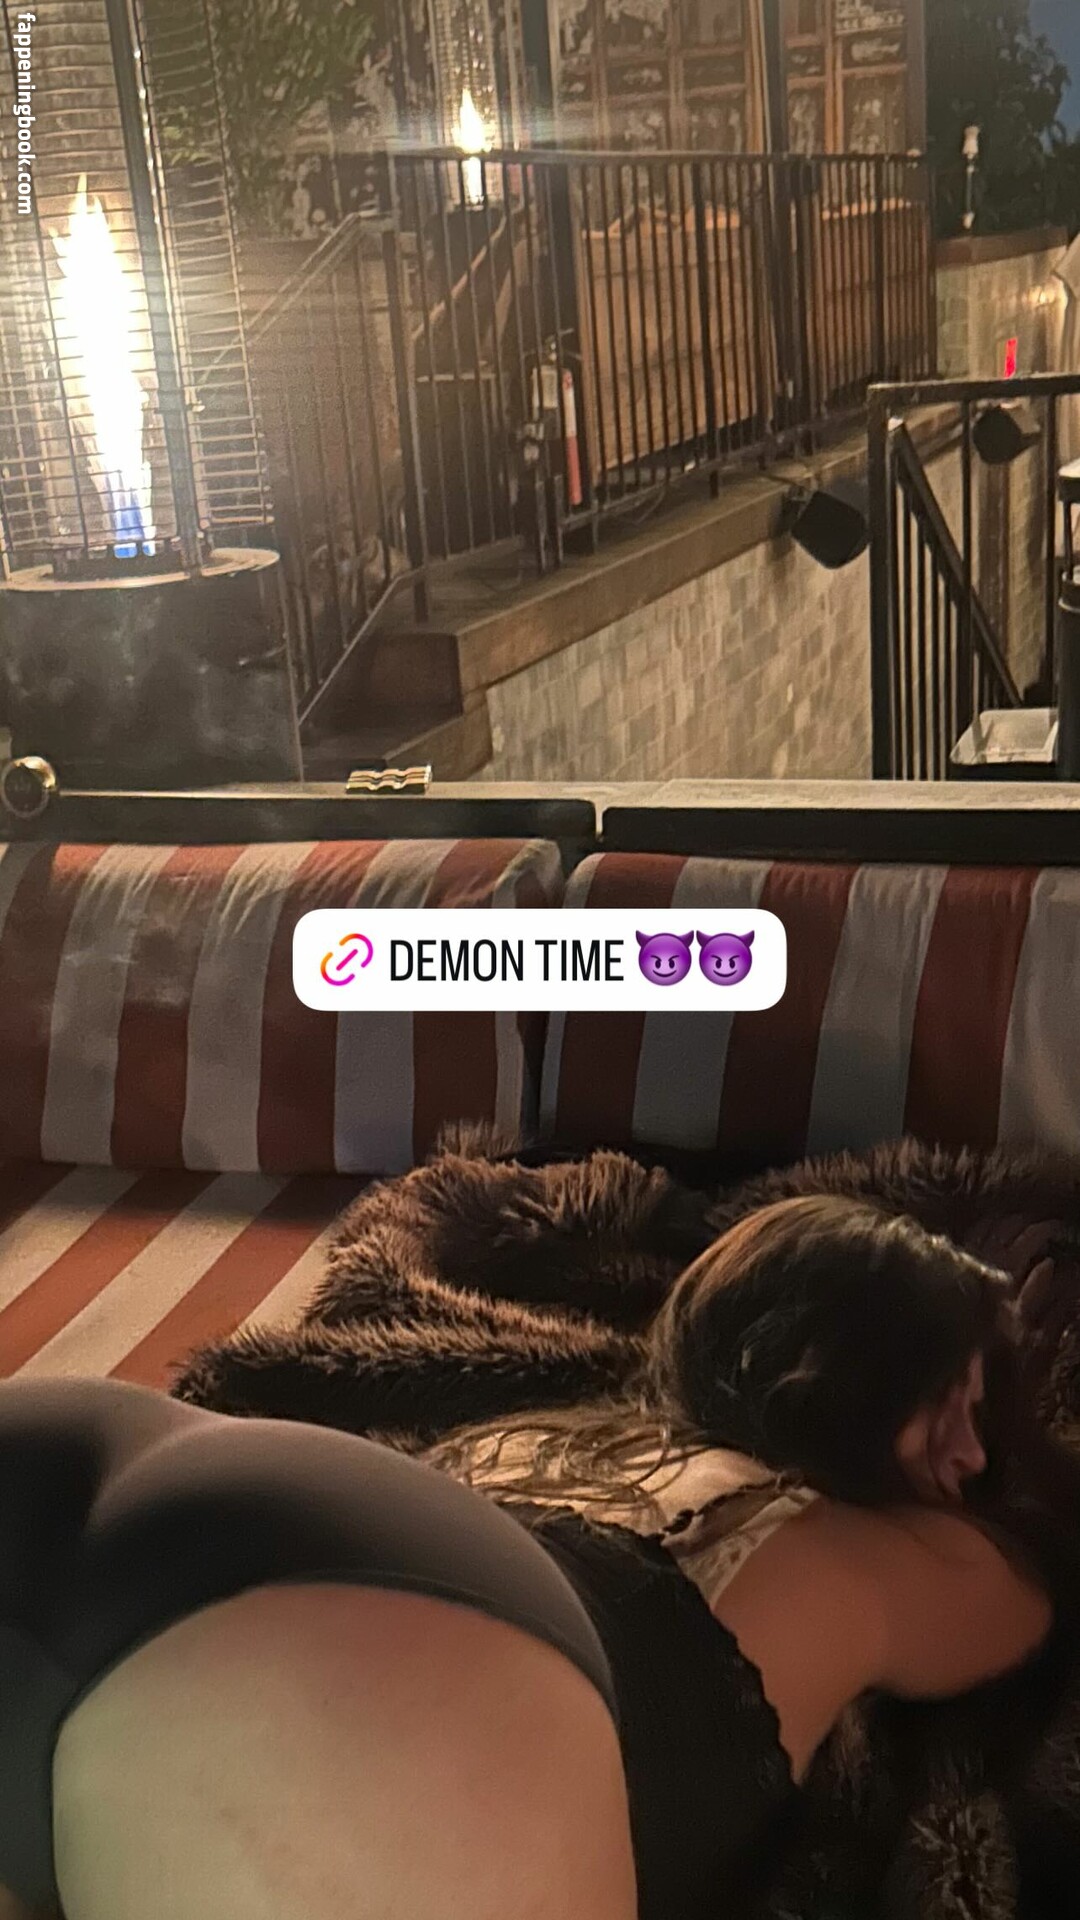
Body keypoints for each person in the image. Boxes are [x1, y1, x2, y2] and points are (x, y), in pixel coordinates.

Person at [0, 1196, 1057, 1920]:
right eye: (948, 1406)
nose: (970, 1456)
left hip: (92, 1455)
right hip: (349, 1682)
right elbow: (1032, 1591)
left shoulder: (550, 1436)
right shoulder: (862, 1550)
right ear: (835, 1381)